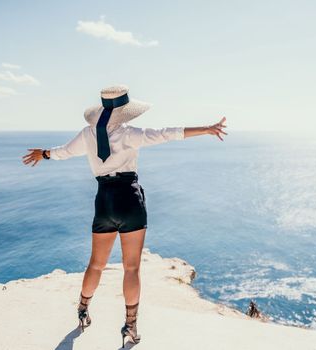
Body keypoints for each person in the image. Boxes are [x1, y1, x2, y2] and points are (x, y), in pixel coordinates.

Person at [21, 85, 227, 348]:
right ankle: (130, 327)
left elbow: (62, 152)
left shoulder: (87, 135)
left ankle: (83, 311)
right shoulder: (130, 134)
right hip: (129, 199)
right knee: (131, 267)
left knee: (96, 264)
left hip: (104, 200)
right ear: (123, 113)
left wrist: (44, 154)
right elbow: (168, 134)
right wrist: (206, 129)